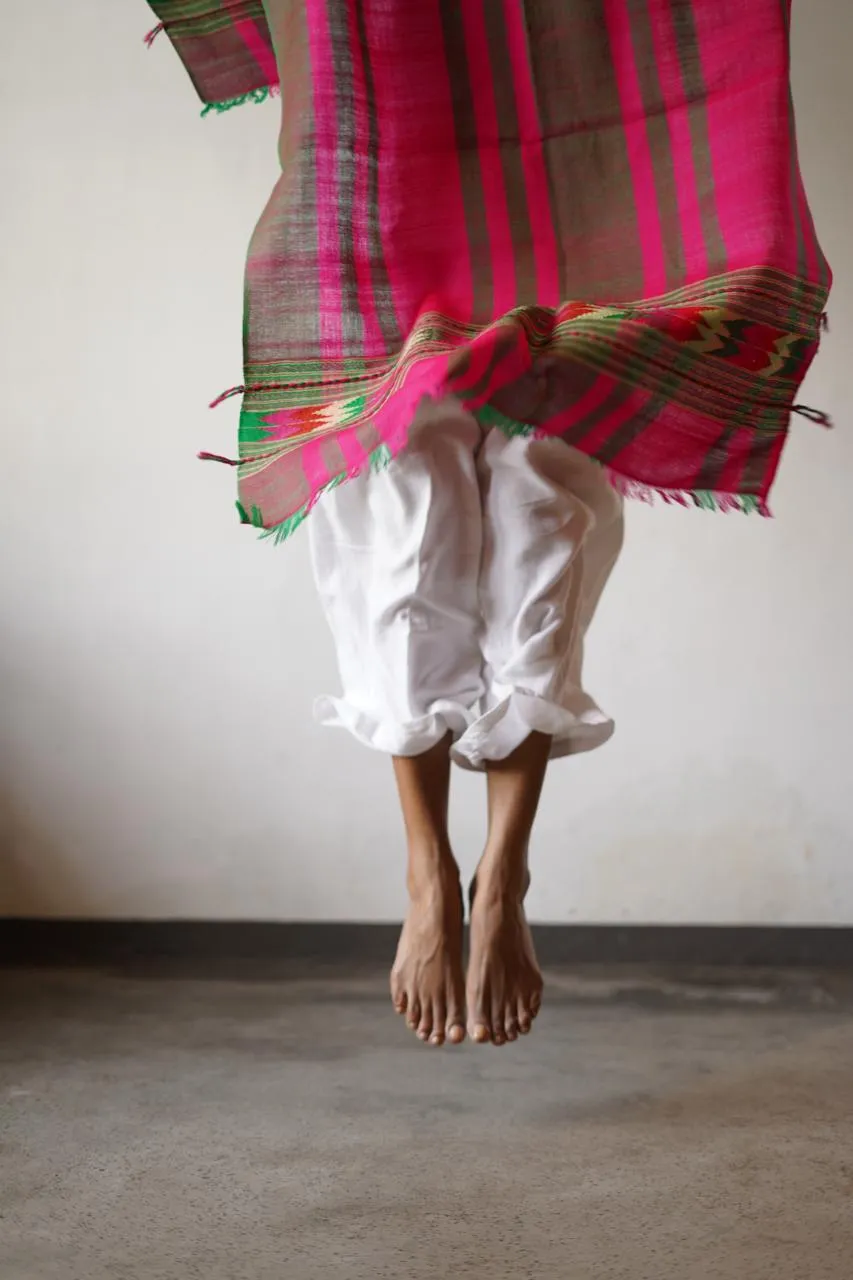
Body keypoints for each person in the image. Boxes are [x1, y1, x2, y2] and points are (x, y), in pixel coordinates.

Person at [144, 0, 829, 1046]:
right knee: (401, 500)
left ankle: (502, 872)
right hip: (389, 111)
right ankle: (429, 869)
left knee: (541, 498)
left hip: (576, 124)